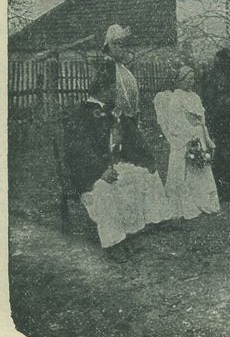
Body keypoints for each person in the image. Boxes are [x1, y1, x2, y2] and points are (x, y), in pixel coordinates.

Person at [64, 60, 173, 263]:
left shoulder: (113, 111)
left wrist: (146, 160)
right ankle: (114, 241)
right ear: (104, 89)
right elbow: (78, 149)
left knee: (145, 173)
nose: (116, 92)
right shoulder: (81, 113)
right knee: (104, 190)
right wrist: (100, 170)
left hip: (113, 164)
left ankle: (155, 219)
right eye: (113, 88)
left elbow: (132, 139)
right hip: (90, 172)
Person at [154, 66, 220, 219]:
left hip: (198, 136)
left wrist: (205, 137)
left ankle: (202, 201)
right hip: (185, 138)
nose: (191, 82)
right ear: (180, 80)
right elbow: (175, 122)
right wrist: (190, 136)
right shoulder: (176, 98)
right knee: (185, 168)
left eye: (193, 79)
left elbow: (201, 120)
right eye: (188, 79)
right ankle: (187, 202)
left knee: (201, 166)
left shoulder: (195, 97)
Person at [202, 42, 230, 201]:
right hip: (219, 121)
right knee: (225, 155)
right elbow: (210, 100)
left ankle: (226, 189)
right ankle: (222, 190)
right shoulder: (213, 76)